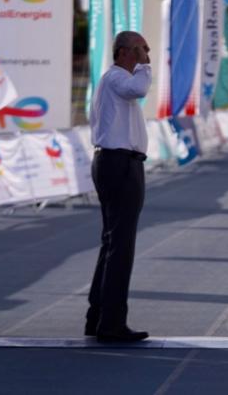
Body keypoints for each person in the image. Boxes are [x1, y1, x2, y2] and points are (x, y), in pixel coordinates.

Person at [85, 30, 153, 343]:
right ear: (124, 51)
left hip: (118, 163)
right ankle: (111, 322)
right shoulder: (116, 79)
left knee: (112, 243)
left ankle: (98, 317)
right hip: (119, 165)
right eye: (141, 48)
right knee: (120, 246)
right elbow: (139, 89)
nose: (146, 54)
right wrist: (144, 66)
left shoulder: (112, 82)